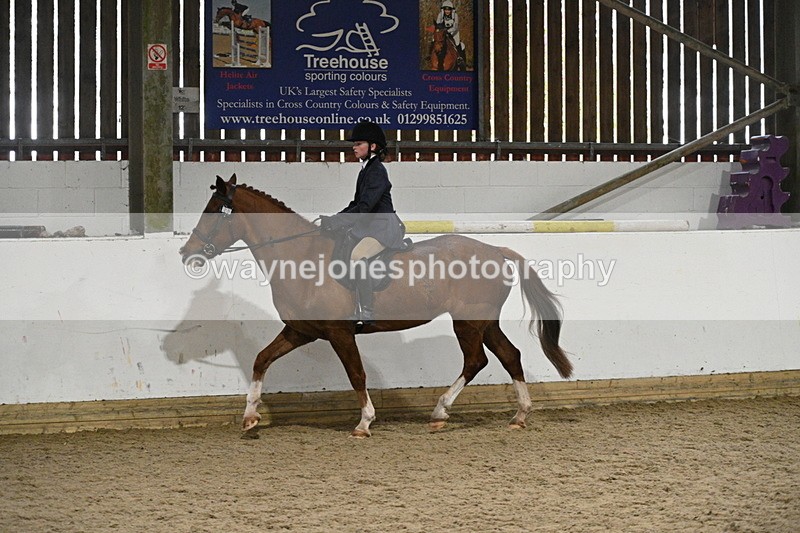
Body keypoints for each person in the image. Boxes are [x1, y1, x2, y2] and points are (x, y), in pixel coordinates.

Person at [320, 120, 406, 327]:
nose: (354, 147)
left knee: (357, 256)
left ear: (372, 146)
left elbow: (366, 207)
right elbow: (356, 204)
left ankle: (366, 309)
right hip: (370, 226)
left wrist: (339, 220)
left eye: (359, 143)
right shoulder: (365, 170)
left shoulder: (377, 171)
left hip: (383, 228)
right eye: (355, 144)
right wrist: (334, 218)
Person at [435, 0, 466, 69]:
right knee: (434, 40)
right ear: (443, 10)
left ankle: (460, 59)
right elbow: (438, 25)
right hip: (443, 32)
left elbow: (455, 27)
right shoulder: (440, 15)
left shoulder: (455, 15)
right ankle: (429, 55)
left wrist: (448, 31)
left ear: (451, 10)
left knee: (458, 44)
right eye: (446, 10)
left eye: (449, 10)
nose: (447, 11)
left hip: (454, 33)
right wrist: (442, 31)